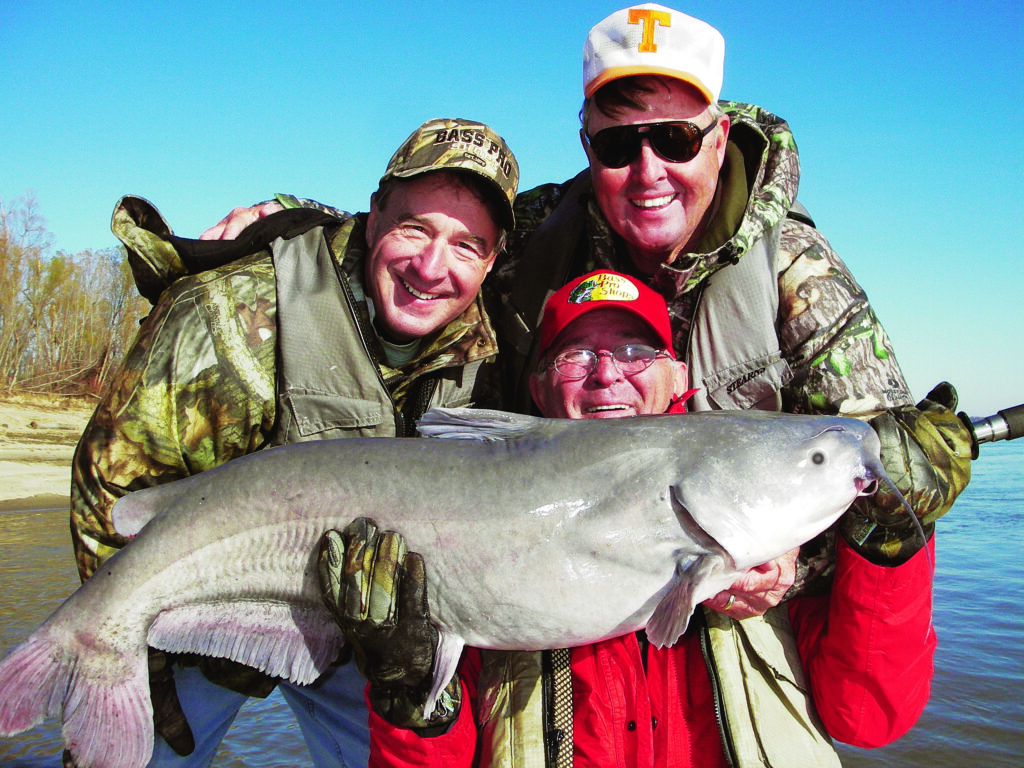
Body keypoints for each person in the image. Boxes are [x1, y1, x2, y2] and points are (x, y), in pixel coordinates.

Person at [207, 4, 970, 576]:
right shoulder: (545, 227)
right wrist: (300, 221)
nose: (647, 173)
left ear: (721, 136)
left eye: (673, 138)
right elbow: (439, 242)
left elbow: (885, 479)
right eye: (616, 144)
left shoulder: (797, 273)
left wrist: (790, 569)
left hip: (715, 597)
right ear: (586, 145)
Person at [318, 269, 937, 767]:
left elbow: (869, 717)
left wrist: (894, 544)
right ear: (537, 388)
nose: (607, 372)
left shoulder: (775, 563)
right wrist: (412, 690)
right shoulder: (473, 546)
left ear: (680, 376)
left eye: (636, 351)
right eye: (574, 355)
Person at [69, 117, 520, 768]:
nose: (432, 266)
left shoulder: (489, 355)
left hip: (347, 634)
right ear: (373, 218)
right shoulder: (234, 309)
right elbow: (111, 483)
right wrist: (132, 651)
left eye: (466, 244)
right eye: (414, 228)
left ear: (494, 257)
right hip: (195, 613)